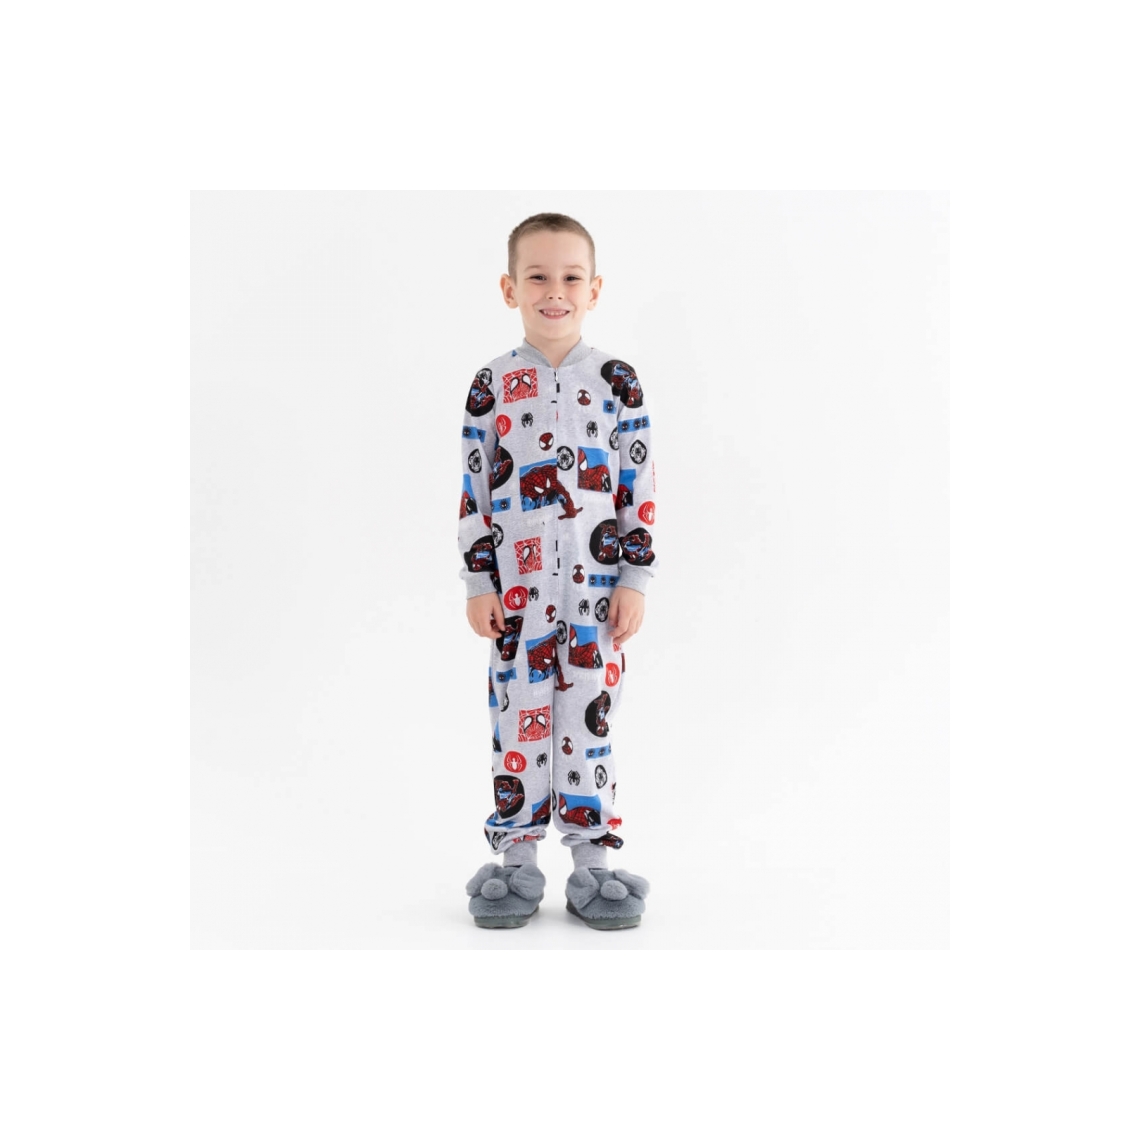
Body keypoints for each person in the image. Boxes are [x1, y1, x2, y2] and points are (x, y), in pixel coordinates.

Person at [457, 212, 658, 930]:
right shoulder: (491, 383)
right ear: (509, 288)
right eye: (537, 276)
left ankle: (592, 862)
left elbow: (638, 487)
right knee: (517, 719)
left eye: (571, 277)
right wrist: (479, 582)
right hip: (517, 598)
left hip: (596, 596)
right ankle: (515, 861)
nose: (554, 291)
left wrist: (633, 579)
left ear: (594, 289)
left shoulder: (616, 381)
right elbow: (475, 489)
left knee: (588, 721)